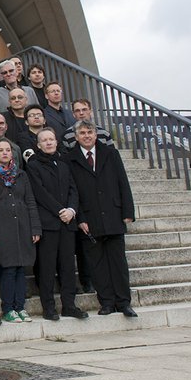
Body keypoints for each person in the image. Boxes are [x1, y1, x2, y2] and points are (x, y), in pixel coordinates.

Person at [68, 119, 137, 317]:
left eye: (90, 132)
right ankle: (106, 302)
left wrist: (127, 212)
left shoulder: (110, 153)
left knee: (118, 263)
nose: (87, 136)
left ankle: (124, 302)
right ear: (76, 136)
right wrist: (80, 218)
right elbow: (72, 191)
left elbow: (122, 182)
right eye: (82, 133)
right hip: (89, 219)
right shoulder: (70, 159)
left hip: (113, 214)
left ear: (96, 134)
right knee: (97, 264)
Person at [25, 127, 87, 321]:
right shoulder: (33, 165)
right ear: (38, 145)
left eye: (51, 139)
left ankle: (69, 305)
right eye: (44, 140)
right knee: (47, 267)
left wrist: (71, 210)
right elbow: (40, 193)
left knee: (68, 266)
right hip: (49, 223)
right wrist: (60, 210)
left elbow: (73, 190)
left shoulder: (63, 163)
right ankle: (49, 307)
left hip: (68, 223)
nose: (49, 142)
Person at [0, 138, 41, 323]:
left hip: (21, 226)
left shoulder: (21, 174)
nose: (5, 153)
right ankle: (8, 308)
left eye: (8, 150)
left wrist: (35, 227)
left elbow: (30, 201)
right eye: (1, 150)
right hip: (0, 227)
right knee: (7, 268)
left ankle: (20, 307)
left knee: (21, 268)